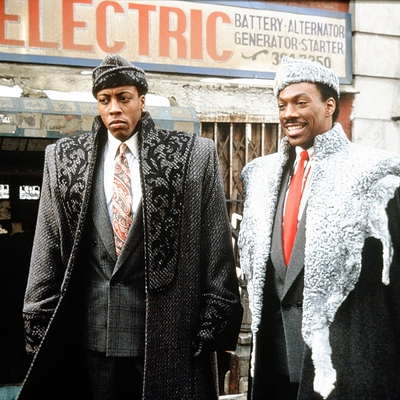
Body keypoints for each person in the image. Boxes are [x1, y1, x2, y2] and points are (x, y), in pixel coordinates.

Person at [17, 54, 243, 400]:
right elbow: (46, 245)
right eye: (104, 99)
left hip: (166, 336)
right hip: (91, 337)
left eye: (124, 98)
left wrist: (215, 317)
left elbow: (216, 246)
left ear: (142, 100)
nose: (114, 109)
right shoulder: (65, 160)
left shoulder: (191, 156)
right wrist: (38, 315)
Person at [238, 56, 400, 399]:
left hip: (346, 370)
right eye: (282, 105)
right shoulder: (260, 175)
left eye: (300, 103)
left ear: (330, 106)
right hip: (274, 368)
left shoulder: (376, 172)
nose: (289, 114)